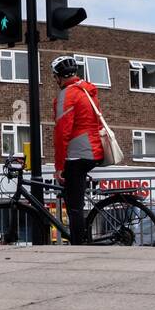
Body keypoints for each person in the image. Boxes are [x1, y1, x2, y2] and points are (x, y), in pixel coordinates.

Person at [51, 55, 105, 244]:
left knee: (74, 206)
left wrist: (59, 167)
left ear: (59, 76)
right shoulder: (87, 91)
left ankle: (78, 245)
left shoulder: (68, 94)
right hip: (94, 151)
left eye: (55, 77)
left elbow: (61, 133)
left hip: (78, 154)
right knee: (76, 196)